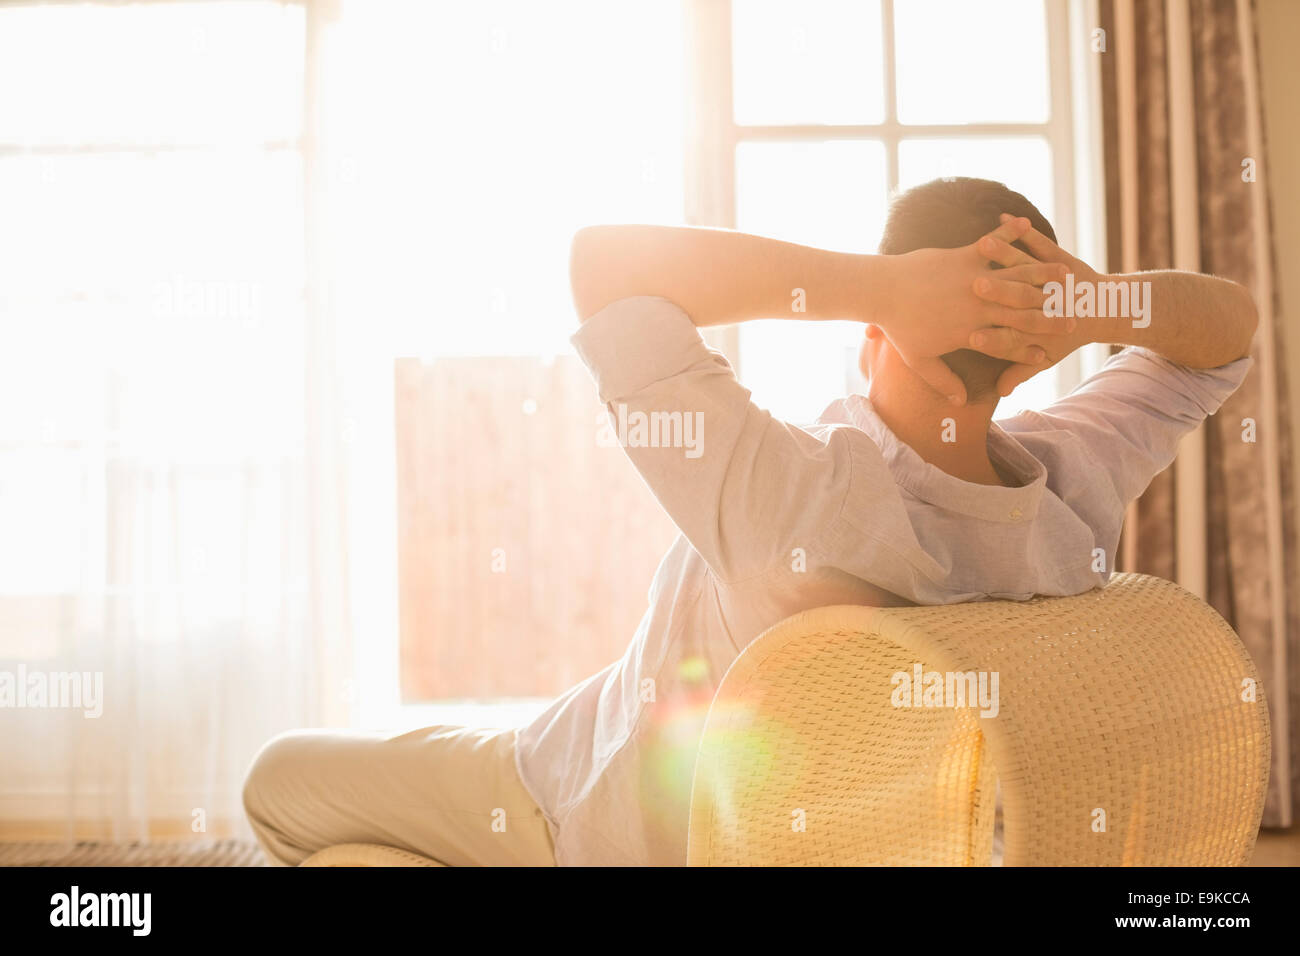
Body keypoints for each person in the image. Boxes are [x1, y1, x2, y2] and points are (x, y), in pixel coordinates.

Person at [244, 177, 1257, 867]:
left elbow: (603, 263)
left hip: (566, 805)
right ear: (1038, 346)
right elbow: (1224, 338)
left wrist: (887, 286)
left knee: (281, 781)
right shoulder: (1068, 480)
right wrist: (1089, 300)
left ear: (877, 338)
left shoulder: (800, 492)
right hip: (763, 810)